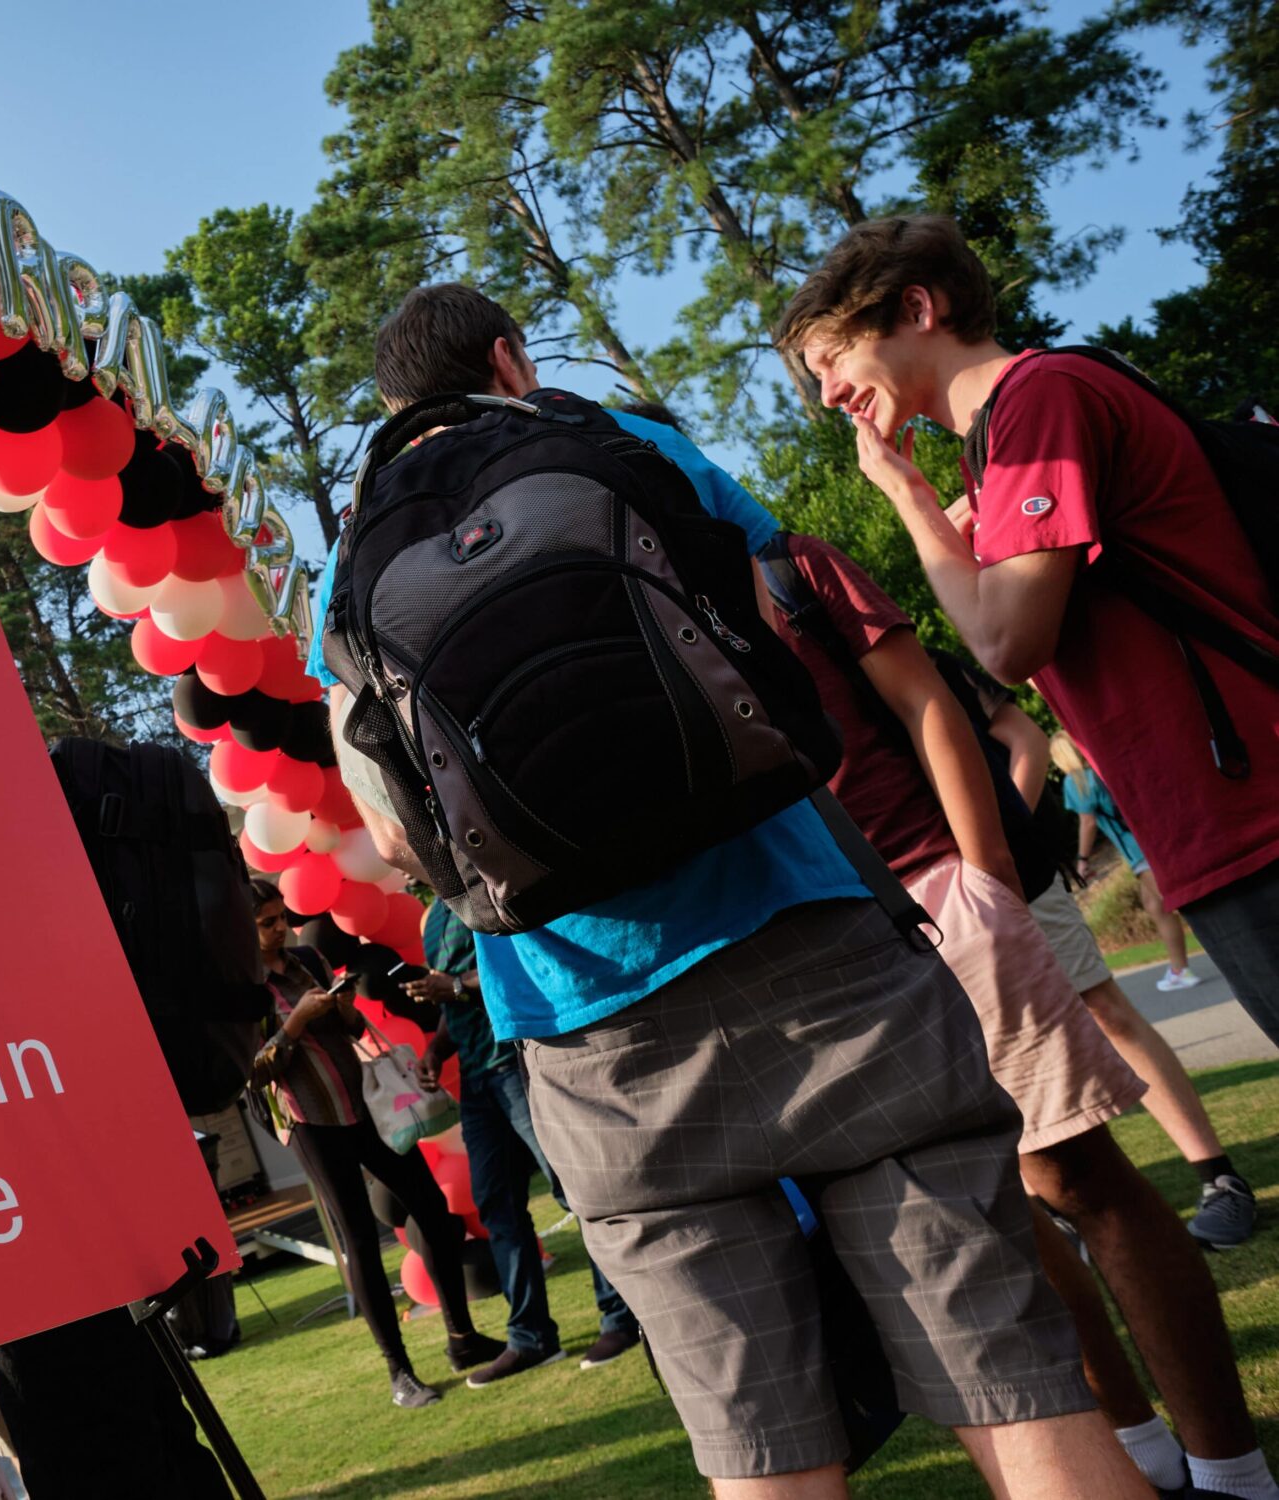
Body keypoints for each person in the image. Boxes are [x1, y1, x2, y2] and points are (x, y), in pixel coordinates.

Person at [315, 281, 1146, 1497]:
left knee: (761, 1455)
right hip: (814, 944)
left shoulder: (346, 576)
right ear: (507, 357)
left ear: (393, 403)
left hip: (596, 1033)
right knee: (1012, 1388)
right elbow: (765, 628)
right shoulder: (614, 444)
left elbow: (395, 839)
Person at [759, 525, 1267, 1493]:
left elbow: (931, 706)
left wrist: (983, 881)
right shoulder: (633, 605)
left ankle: (1232, 1470)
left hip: (933, 891)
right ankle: (1141, 1451)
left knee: (1078, 1180)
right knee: (997, 1217)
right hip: (821, 944)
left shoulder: (786, 561)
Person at [779, 213, 1279, 1070]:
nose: (828, 396)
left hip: (1250, 806)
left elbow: (1005, 643)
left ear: (917, 307)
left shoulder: (1036, 401)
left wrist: (912, 502)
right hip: (1214, 811)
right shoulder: (1004, 444)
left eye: (833, 360)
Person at [953, 664, 1255, 1248]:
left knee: (1105, 1011)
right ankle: (1055, 1217)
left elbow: (1029, 740)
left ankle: (1220, 1179)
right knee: (985, 1052)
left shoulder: (931, 664)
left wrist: (997, 835)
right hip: (932, 902)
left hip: (1015, 872)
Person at [247, 879, 504, 1407]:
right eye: (267, 923)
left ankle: (462, 1337)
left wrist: (340, 1008)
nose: (280, 929)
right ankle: (400, 1373)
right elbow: (253, 1070)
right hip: (310, 1121)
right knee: (360, 1238)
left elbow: (354, 1030)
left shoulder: (306, 960)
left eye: (281, 918)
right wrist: (295, 1023)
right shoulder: (242, 988)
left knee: (431, 1207)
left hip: (364, 1104)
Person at [406, 897, 642, 1377]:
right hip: (476, 1079)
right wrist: (435, 1048)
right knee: (498, 1208)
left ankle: (623, 1317)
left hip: (521, 1060)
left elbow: (525, 964)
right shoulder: (432, 919)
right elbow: (456, 1004)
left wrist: (454, 985)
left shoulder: (483, 892)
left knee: (573, 1190)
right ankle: (531, 1339)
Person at [1052, 734, 1206, 992]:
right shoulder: (1102, 768)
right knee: (1155, 905)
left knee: (1179, 902)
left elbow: (1087, 822)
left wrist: (1082, 860)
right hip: (1148, 842)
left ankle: (1228, 947)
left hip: (1140, 850)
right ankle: (1179, 969)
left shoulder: (1076, 781)